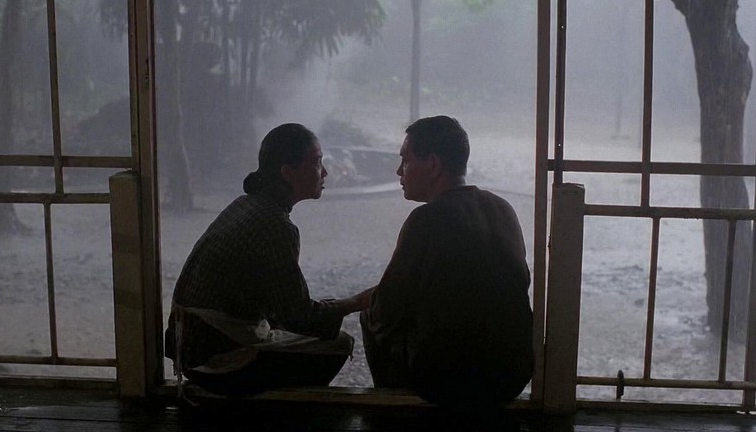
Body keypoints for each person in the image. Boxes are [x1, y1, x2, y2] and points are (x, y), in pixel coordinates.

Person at [165, 123, 373, 396]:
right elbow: (298, 316)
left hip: (189, 347)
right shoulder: (275, 225)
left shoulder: (245, 204)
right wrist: (357, 302)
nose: (324, 172)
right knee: (339, 344)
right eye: (317, 162)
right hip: (216, 359)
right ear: (288, 173)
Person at [361, 115, 534, 406]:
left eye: (405, 160)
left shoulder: (426, 219)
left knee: (370, 317)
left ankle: (394, 409)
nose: (399, 171)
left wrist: (355, 304)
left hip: (447, 379)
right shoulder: (502, 208)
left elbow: (386, 308)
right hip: (512, 373)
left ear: (433, 165)